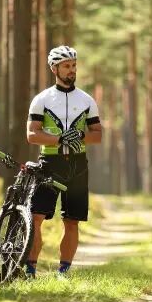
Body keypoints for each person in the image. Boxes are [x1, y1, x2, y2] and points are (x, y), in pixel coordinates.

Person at [25, 45, 102, 278]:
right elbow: (32, 134)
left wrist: (79, 135)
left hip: (77, 165)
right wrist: (59, 139)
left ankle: (63, 272)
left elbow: (97, 135)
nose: (72, 70)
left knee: (72, 220)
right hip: (50, 163)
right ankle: (30, 270)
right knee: (36, 217)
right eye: (66, 66)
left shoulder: (87, 100)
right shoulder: (42, 99)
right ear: (54, 69)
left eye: (74, 65)